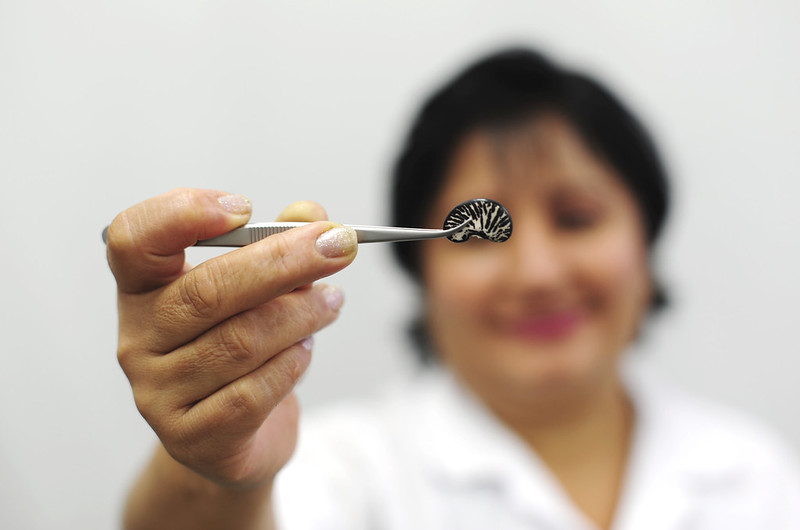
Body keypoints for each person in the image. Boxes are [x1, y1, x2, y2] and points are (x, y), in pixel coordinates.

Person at [106, 49, 800, 530]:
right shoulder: (341, 471)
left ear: (645, 242)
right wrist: (222, 473)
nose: (536, 273)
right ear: (423, 271)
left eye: (576, 219)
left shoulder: (757, 477)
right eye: (481, 231)